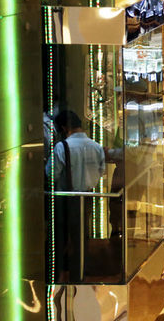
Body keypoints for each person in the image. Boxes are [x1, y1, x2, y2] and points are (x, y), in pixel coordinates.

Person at [47, 110, 106, 282]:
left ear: (64, 128)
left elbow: (52, 174)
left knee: (59, 238)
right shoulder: (96, 146)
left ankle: (57, 275)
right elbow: (100, 172)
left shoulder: (62, 147)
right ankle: (78, 275)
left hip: (66, 199)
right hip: (87, 198)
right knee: (81, 239)